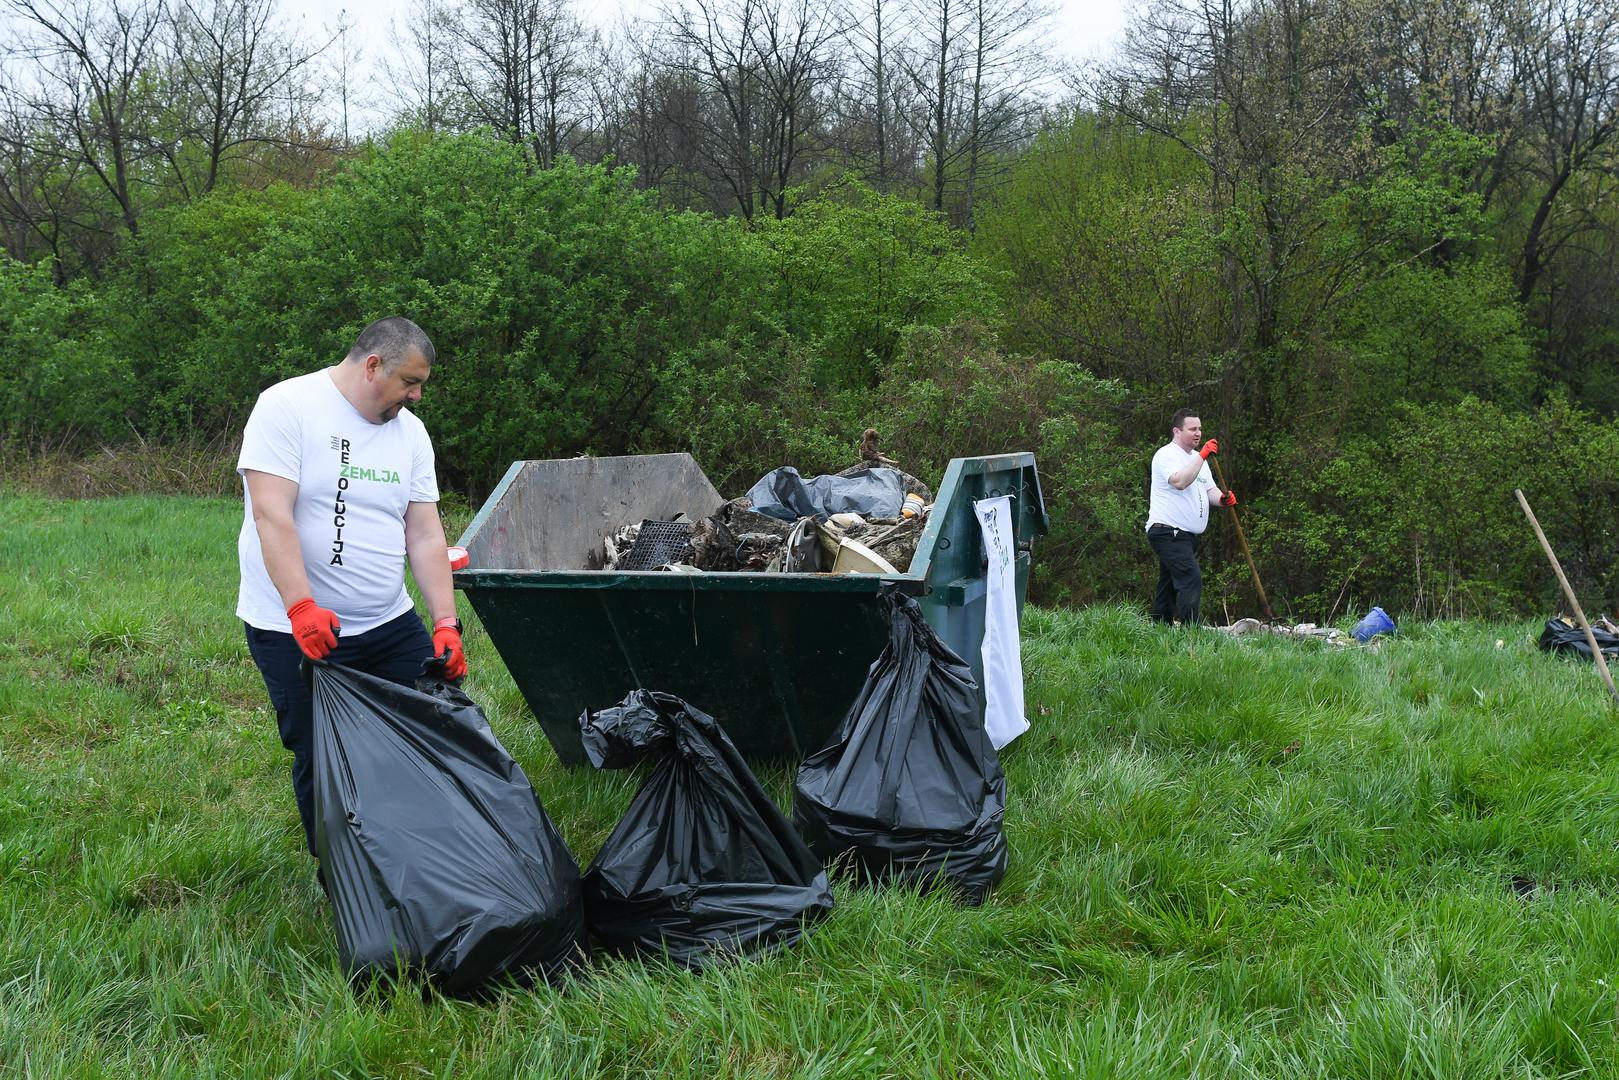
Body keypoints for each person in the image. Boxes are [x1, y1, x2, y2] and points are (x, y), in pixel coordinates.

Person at [236, 316, 467, 875]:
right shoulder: (287, 407)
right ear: (372, 366)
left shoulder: (410, 433)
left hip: (388, 623)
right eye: (410, 382)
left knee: (434, 731)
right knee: (323, 754)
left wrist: (445, 623)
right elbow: (272, 514)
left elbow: (425, 532)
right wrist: (300, 606)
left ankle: (423, 865)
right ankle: (346, 880)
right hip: (295, 628)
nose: (415, 395)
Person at [1145, 409, 1236, 625]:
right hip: (1167, 531)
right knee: (1190, 576)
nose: (1198, 433)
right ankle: (1191, 631)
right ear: (1177, 431)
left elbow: (1209, 490)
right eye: (1192, 429)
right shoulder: (1166, 455)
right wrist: (1203, 455)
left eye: (1200, 429)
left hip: (1184, 535)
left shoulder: (1198, 459)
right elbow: (1179, 482)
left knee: (1167, 583)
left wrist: (1222, 499)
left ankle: (1159, 626)